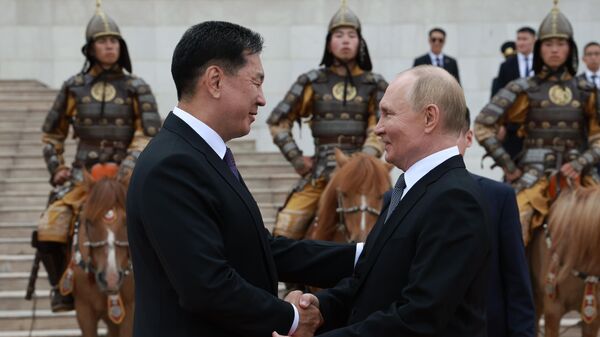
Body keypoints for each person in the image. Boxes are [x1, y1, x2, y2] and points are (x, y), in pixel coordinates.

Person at [126, 21, 362, 337]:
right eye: (256, 82)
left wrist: (361, 255)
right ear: (215, 81)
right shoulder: (172, 165)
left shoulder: (201, 155)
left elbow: (259, 248)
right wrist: (293, 318)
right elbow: (207, 287)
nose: (263, 99)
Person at [276, 65, 491, 337]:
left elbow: (419, 317)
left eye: (388, 114)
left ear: (429, 117)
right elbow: (366, 285)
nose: (378, 129)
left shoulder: (455, 200)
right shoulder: (404, 193)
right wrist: (318, 308)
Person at [35, 2, 161, 312]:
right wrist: (57, 169)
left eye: (114, 41)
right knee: (49, 227)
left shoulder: (136, 87)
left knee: (163, 222)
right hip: (84, 178)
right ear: (91, 48)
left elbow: (150, 132)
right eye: (103, 41)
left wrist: (130, 163)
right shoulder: (73, 87)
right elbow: (52, 135)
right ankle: (61, 290)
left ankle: (164, 285)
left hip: (126, 176)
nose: (110, 46)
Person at [474, 1, 600, 246]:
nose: (555, 50)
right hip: (534, 175)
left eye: (560, 44)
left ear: (570, 49)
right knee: (510, 228)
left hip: (580, 175)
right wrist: (508, 166)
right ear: (540, 49)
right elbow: (482, 125)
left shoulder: (587, 91)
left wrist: (581, 162)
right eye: (549, 44)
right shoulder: (522, 88)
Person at [267, 2, 387, 240]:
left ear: (360, 42)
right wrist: (298, 159)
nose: (345, 40)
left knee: (400, 227)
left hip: (366, 175)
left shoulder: (375, 84)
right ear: (329, 42)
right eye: (339, 35)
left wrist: (360, 164)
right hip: (321, 172)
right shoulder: (312, 81)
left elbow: (381, 127)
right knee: (284, 231)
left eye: (351, 35)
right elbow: (277, 121)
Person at [459, 111, 536, 337]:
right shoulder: (395, 196)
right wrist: (508, 166)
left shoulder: (498, 198)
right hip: (530, 174)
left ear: (467, 138)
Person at [493, 27, 537, 161]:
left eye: (525, 39)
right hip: (512, 127)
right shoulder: (506, 65)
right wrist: (500, 125)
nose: (521, 43)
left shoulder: (542, 63)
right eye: (519, 39)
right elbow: (499, 97)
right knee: (514, 164)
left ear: (534, 40)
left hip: (537, 125)